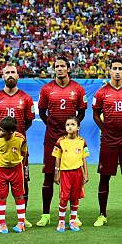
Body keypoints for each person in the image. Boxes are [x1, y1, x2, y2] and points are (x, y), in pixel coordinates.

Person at [37, 56, 87, 227]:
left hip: (72, 139)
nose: (59, 69)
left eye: (62, 66)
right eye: (57, 66)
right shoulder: (46, 89)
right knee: (49, 175)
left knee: (74, 175)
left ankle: (74, 215)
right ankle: (45, 214)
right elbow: (42, 112)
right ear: (54, 69)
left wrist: (71, 129)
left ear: (68, 68)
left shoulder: (78, 89)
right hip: (51, 137)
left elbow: (81, 112)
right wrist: (52, 126)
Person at [0, 64, 35, 229]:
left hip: (18, 149)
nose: (10, 75)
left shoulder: (26, 98)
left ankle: (22, 218)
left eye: (13, 72)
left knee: (24, 181)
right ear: (2, 77)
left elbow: (29, 121)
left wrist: (15, 136)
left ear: (18, 76)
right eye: (7, 73)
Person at [92, 58, 122, 227]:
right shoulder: (101, 93)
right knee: (104, 177)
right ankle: (102, 214)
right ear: (110, 71)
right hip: (109, 140)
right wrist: (104, 129)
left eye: (120, 68)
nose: (117, 71)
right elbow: (96, 114)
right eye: (114, 68)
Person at [52, 117, 89, 232]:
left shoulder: (82, 142)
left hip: (77, 173)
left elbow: (84, 160)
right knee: (64, 198)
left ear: (78, 127)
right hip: (65, 173)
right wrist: (56, 172)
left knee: (75, 198)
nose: (70, 126)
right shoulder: (60, 141)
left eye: (72, 124)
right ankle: (61, 222)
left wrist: (86, 174)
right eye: (67, 124)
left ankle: (73, 221)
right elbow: (57, 158)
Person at [0, 116, 28, 234]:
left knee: (18, 196)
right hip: (1, 170)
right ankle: (2, 224)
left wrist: (23, 168)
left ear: (11, 132)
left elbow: (24, 152)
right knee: (2, 196)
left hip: (16, 169)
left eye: (2, 130)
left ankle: (21, 223)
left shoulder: (20, 139)